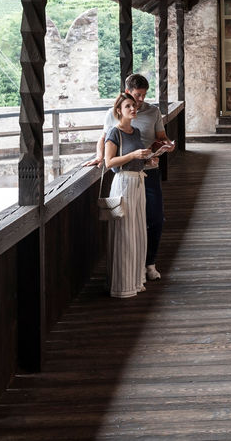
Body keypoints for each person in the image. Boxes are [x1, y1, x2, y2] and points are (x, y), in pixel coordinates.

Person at [86, 74, 173, 281]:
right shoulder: (113, 114)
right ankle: (130, 269)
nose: (140, 100)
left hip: (148, 174)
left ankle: (149, 263)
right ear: (127, 92)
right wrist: (99, 157)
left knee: (155, 219)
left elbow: (160, 138)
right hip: (125, 177)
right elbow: (106, 139)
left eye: (144, 95)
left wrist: (167, 145)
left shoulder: (153, 112)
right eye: (137, 95)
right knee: (128, 224)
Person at [103, 92, 157, 298]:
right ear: (119, 111)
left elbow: (136, 158)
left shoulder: (134, 132)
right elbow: (109, 162)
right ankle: (122, 286)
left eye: (134, 106)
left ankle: (136, 280)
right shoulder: (114, 133)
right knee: (124, 232)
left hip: (138, 181)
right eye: (128, 107)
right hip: (123, 183)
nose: (133, 109)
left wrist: (148, 161)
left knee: (137, 230)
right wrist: (134, 155)